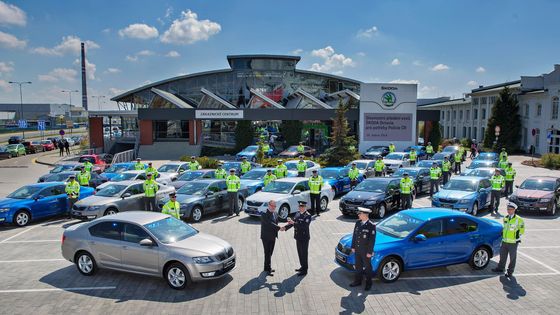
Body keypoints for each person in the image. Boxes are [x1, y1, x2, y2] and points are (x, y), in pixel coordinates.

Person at [492, 202, 525, 277]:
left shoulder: (519, 219)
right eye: (507, 209)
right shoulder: (506, 217)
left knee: (512, 258)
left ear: (514, 210)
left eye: (510, 209)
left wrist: (516, 236)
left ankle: (510, 272)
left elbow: (522, 230)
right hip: (504, 241)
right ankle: (500, 268)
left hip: (513, 242)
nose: (508, 211)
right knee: (502, 256)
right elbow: (505, 228)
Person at [349, 207, 376, 291]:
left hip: (365, 251)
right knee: (358, 266)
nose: (358, 215)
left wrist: (369, 252)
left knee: (368, 267)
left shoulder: (371, 225)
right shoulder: (358, 223)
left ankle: (369, 283)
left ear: (364, 215)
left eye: (360, 213)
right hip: (357, 249)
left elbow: (372, 240)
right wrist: (353, 246)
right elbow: (354, 235)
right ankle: (358, 281)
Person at [282, 201, 312, 276]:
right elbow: (293, 223)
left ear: (305, 207)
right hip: (298, 237)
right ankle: (302, 266)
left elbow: (304, 226)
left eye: (302, 207)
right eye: (299, 206)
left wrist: (293, 223)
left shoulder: (308, 216)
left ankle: (305, 270)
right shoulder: (297, 213)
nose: (300, 208)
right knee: (300, 253)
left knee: (304, 253)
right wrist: (285, 227)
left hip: (304, 238)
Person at [260, 200, 281, 276]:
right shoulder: (264, 214)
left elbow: (277, 221)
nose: (273, 207)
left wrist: (289, 222)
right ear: (268, 205)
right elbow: (269, 224)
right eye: (272, 205)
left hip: (273, 236)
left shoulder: (275, 213)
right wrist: (279, 228)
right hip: (266, 237)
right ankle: (268, 269)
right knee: (267, 252)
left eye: (275, 206)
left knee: (270, 252)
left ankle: (267, 267)